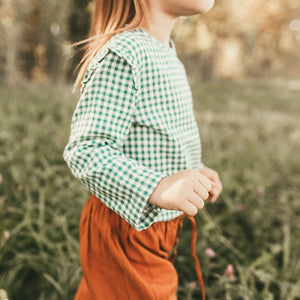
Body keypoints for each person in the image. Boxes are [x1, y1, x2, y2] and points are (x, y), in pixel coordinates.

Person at [63, 0, 222, 299]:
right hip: (125, 229)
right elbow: (86, 149)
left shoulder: (167, 54)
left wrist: (195, 168)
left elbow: (161, 133)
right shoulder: (125, 53)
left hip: (154, 227)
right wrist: (158, 186)